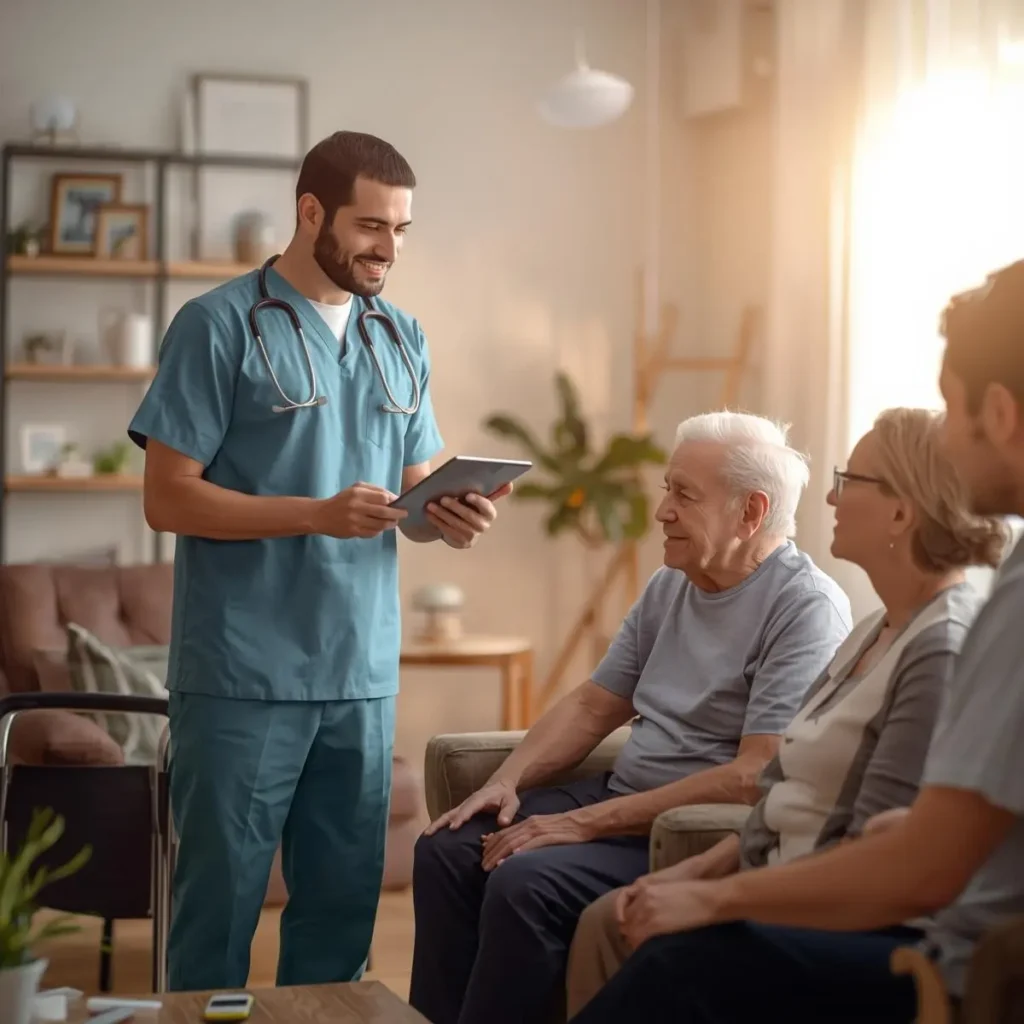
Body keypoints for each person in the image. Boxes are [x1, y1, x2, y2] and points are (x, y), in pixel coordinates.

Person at [565, 259, 1024, 1024]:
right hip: (902, 908)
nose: (944, 436)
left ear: (1002, 413)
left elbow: (923, 867)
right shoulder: (877, 622)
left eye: (949, 408)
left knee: (672, 968)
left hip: (944, 957)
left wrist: (714, 896)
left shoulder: (959, 620)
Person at [128, 131, 511, 991]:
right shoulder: (216, 324)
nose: (389, 248)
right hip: (242, 672)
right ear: (310, 212)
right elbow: (168, 497)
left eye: (402, 230)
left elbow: (408, 498)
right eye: (372, 225)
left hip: (360, 671)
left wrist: (447, 513)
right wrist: (316, 514)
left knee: (343, 911)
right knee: (218, 908)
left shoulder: (400, 334)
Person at [408, 411, 853, 1024]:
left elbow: (756, 772)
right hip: (621, 801)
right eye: (668, 487)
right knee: (445, 851)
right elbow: (595, 704)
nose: (663, 509)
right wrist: (504, 781)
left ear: (751, 511)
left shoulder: (806, 608)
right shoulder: (671, 585)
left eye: (684, 494)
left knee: (524, 881)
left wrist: (583, 824)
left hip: (689, 829)